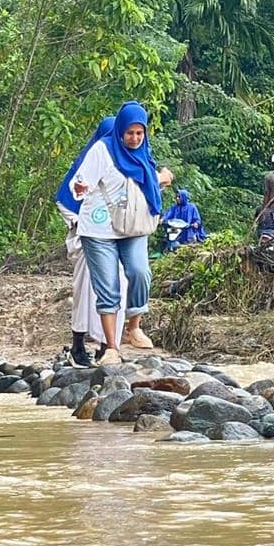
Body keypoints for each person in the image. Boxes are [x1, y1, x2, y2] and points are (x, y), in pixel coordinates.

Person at [70, 101, 173, 360]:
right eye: (130, 133)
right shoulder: (102, 151)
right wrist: (81, 188)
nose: (135, 138)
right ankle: (111, 347)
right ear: (120, 131)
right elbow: (77, 184)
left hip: (133, 227)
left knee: (139, 271)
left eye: (140, 133)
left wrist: (160, 179)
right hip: (99, 228)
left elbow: (144, 187)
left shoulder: (144, 154)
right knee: (109, 287)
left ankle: (133, 327)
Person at [54, 116, 116, 367]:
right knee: (84, 291)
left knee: (112, 290)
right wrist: (80, 223)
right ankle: (78, 344)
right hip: (85, 243)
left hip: (113, 240)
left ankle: (107, 346)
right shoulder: (85, 167)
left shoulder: (119, 167)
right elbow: (64, 199)